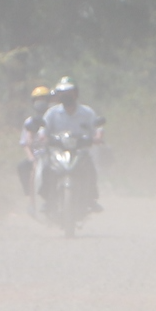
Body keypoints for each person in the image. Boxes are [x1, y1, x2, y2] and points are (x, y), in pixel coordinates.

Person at [42, 77, 104, 213]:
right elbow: (43, 130)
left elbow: (97, 128)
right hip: (57, 152)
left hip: (80, 152)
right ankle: (47, 200)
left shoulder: (87, 112)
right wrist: (43, 137)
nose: (66, 96)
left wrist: (97, 137)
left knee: (90, 167)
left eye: (69, 93)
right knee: (46, 168)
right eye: (62, 93)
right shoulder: (52, 113)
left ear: (76, 94)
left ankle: (90, 199)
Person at [17, 85, 51, 199]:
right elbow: (25, 143)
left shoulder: (53, 118)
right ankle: (29, 196)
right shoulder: (29, 121)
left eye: (43, 99)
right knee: (22, 167)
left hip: (53, 155)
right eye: (37, 100)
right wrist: (32, 158)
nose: (40, 103)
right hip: (36, 155)